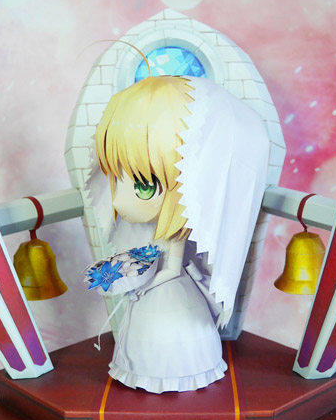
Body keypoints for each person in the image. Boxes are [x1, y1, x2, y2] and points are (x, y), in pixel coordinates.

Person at [92, 73, 269, 393]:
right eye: (116, 179)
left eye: (144, 185)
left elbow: (172, 269)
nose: (119, 201)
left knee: (169, 338)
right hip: (152, 286)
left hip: (168, 289)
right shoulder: (150, 228)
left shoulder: (174, 234)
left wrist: (143, 287)